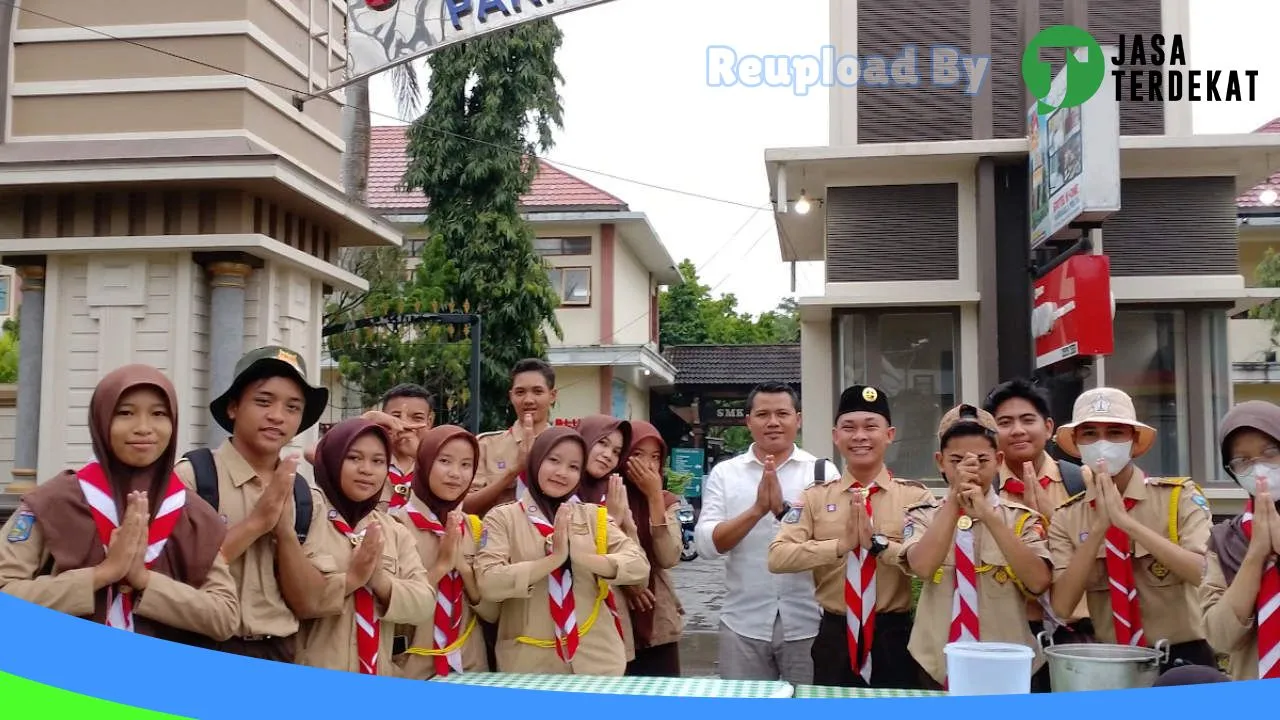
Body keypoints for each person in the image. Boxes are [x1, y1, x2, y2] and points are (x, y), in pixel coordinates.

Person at [0, 365, 239, 645]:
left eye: (159, 414)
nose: (143, 428)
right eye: (125, 413)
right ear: (101, 420)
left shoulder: (193, 514)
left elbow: (225, 617)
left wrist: (144, 580)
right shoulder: (54, 502)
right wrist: (101, 574)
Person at [769, 384, 932, 689]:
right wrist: (839, 546)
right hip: (835, 635)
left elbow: (927, 561)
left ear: (890, 434)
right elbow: (777, 557)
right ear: (836, 436)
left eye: (871, 427)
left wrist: (879, 546)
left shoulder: (915, 497)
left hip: (893, 636)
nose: (860, 436)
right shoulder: (814, 498)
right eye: (849, 428)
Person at [174, 345, 329, 663]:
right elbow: (176, 576)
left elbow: (311, 602)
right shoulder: (194, 479)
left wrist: (285, 533)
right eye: (263, 401)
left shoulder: (304, 496)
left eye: (292, 407)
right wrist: (257, 523)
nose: (277, 416)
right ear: (233, 407)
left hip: (280, 652)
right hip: (204, 648)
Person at [1047, 387, 1216, 673]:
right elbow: (1062, 607)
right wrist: (1100, 528)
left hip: (1181, 659)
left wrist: (1126, 524)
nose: (1102, 443)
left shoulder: (1178, 498)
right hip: (1110, 662)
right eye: (1089, 434)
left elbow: (1204, 572)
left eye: (1115, 433)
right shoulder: (1067, 516)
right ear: (1075, 443)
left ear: (1134, 441)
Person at [694, 382, 838, 685]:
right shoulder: (726, 473)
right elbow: (706, 545)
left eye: (782, 413)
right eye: (763, 414)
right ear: (748, 422)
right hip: (742, 623)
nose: (773, 422)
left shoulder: (822, 474)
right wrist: (757, 510)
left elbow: (835, 546)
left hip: (809, 621)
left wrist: (784, 514)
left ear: (798, 419)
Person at [900, 404, 1051, 690]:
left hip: (1006, 664)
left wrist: (988, 516)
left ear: (998, 460)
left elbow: (1039, 581)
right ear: (940, 462)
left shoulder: (1020, 518)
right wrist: (954, 500)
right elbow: (922, 566)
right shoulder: (921, 514)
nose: (969, 470)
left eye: (981, 460)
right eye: (956, 460)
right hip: (935, 663)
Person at [475, 427, 650, 675]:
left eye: (573, 467)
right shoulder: (502, 518)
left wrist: (585, 558)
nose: (562, 473)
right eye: (553, 460)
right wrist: (553, 560)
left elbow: (639, 566)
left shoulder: (593, 517)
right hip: (529, 664)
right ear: (536, 461)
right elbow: (488, 582)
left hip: (598, 661)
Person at [293, 417, 436, 675]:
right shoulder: (304, 515)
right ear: (334, 459)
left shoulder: (392, 530)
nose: (367, 470)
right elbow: (289, 596)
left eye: (378, 461)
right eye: (354, 458)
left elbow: (425, 602)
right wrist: (351, 579)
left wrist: (380, 581)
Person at [983, 378, 1092, 690]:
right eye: (1005, 423)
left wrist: (1051, 518)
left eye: (1027, 420)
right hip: (1009, 636)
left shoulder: (1081, 482)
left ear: (1048, 427)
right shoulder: (983, 491)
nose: (1017, 430)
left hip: (1074, 632)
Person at [391, 424, 498, 679]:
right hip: (412, 668)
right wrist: (440, 567)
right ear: (425, 463)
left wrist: (463, 569)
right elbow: (392, 609)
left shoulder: (473, 528)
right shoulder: (394, 526)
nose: (455, 474)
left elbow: (492, 614)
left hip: (471, 668)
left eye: (465, 465)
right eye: (445, 461)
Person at [1200, 400, 1280, 680]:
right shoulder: (1225, 540)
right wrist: (1256, 555)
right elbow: (1220, 637)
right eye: (1243, 460)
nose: (1259, 469)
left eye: (1270, 453)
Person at [620, 420, 685, 677]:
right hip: (611, 617)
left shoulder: (666, 500)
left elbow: (668, 556)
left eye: (655, 457)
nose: (647, 465)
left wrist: (654, 497)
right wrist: (629, 582)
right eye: (637, 454)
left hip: (657, 616)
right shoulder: (602, 495)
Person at [574, 414, 638, 662]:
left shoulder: (614, 494)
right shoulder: (554, 490)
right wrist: (608, 519)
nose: (608, 455)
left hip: (607, 621)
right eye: (602, 443)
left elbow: (637, 568)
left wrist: (620, 521)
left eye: (616, 451)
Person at [466, 359, 558, 517]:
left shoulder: (566, 446)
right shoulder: (486, 445)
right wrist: (514, 471)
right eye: (520, 392)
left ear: (552, 395)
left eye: (537, 391)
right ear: (511, 396)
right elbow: (465, 507)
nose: (528, 400)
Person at [368, 384, 435, 513]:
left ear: (429, 421)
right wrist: (366, 419)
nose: (405, 425)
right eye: (396, 417)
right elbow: (320, 455)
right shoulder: (365, 460)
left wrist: (420, 458)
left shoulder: (438, 464)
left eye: (417, 418)